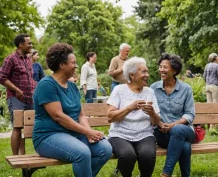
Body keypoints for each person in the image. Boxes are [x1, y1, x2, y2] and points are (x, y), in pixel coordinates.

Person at [32, 43, 112, 177]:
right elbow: (58, 116)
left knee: (105, 149)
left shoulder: (72, 86)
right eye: (73, 62)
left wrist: (88, 133)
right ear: (62, 65)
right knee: (82, 153)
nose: (76, 66)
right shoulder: (46, 85)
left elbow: (80, 114)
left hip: (73, 134)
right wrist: (87, 131)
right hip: (48, 136)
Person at [107, 57, 160, 177]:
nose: (147, 74)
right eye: (143, 72)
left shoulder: (149, 92)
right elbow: (110, 117)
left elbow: (156, 122)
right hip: (120, 135)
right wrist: (130, 107)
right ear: (131, 75)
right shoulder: (119, 90)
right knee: (127, 155)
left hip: (144, 134)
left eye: (147, 71)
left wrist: (152, 113)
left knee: (147, 155)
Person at [151, 53, 196, 177]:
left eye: (165, 67)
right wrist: (160, 124)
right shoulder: (153, 88)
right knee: (185, 146)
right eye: (160, 67)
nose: (161, 70)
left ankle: (166, 173)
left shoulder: (186, 89)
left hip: (185, 130)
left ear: (174, 70)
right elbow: (151, 111)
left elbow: (190, 114)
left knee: (178, 130)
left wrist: (173, 125)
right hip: (162, 133)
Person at [0, 34, 36, 155]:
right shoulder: (10, 59)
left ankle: (23, 156)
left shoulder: (28, 59)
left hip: (30, 99)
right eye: (29, 43)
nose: (31, 45)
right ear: (21, 44)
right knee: (17, 127)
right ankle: (15, 157)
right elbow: (2, 78)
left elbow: (30, 79)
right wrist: (17, 90)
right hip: (16, 98)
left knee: (27, 128)